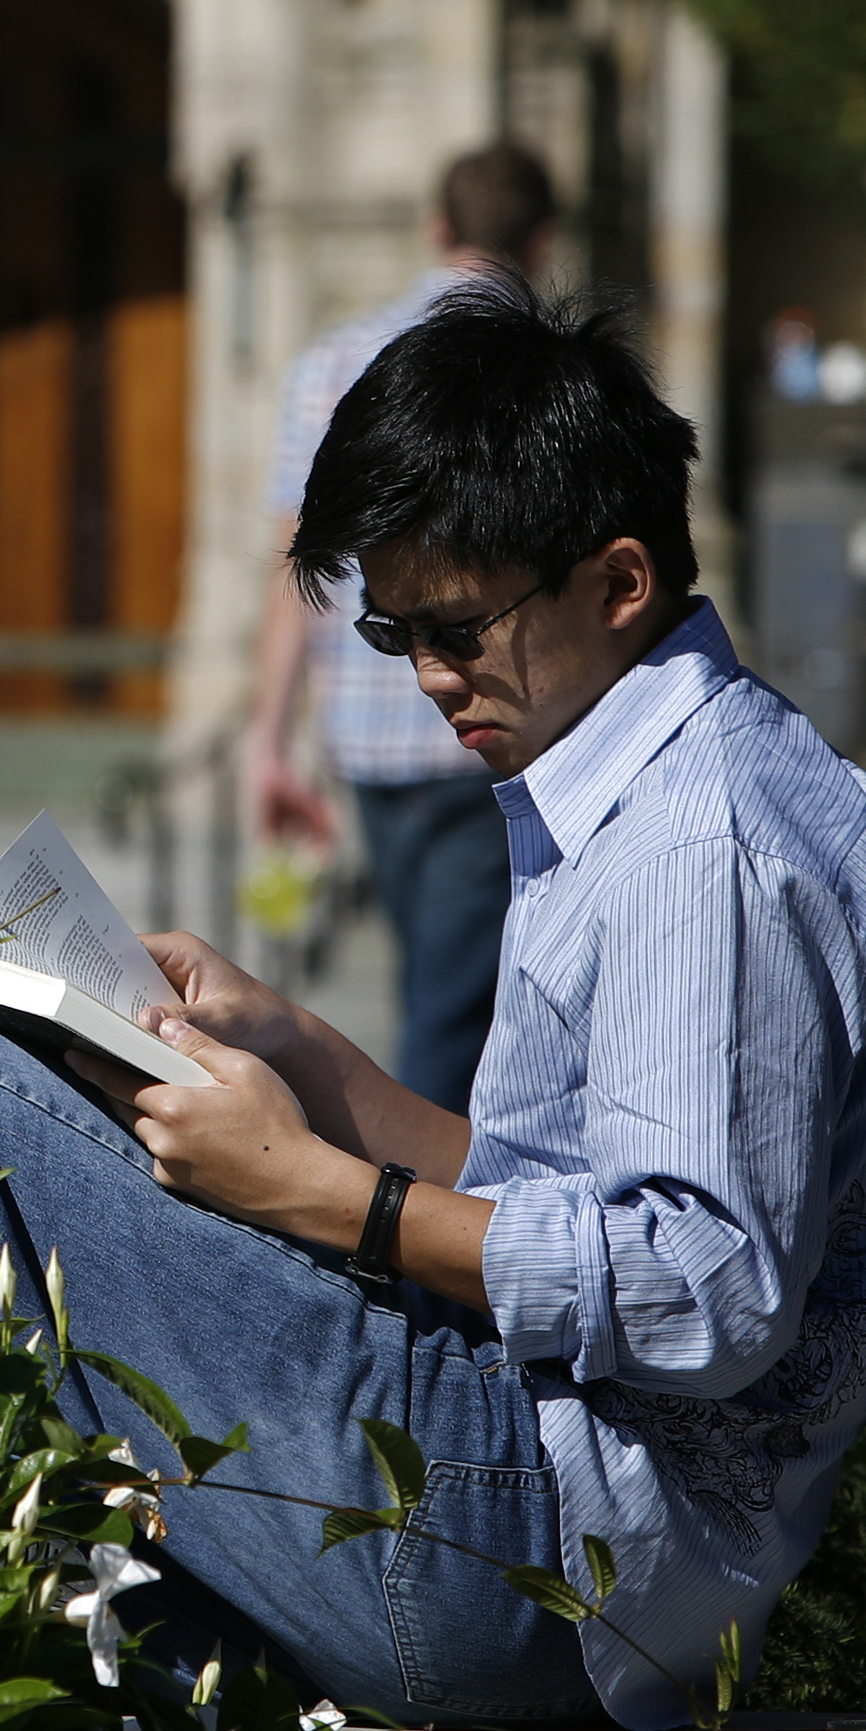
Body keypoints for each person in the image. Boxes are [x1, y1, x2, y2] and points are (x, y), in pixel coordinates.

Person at [0, 272, 866, 1731]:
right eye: (393, 637)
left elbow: (703, 1284)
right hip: (572, 1538)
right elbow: (560, 1188)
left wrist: (329, 1197)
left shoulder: (694, 850)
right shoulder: (662, 765)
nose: (429, 679)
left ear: (621, 582)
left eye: (455, 629)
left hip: (535, 1552)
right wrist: (300, 1054)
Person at [245, 143, 561, 1110]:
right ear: (542, 239)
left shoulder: (334, 358)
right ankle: (411, 1244)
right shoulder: (546, 363)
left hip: (369, 739)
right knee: (458, 1015)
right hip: (498, 723)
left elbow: (298, 565)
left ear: (436, 228)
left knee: (436, 987)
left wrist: (268, 736)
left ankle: (408, 1220)